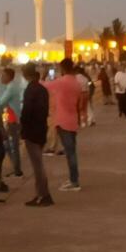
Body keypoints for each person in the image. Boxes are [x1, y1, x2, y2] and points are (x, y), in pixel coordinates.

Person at [44, 58, 84, 192]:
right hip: (73, 120)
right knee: (71, 151)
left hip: (62, 120)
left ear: (62, 68)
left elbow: (44, 86)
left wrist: (44, 75)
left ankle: (74, 181)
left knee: (70, 153)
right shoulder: (76, 83)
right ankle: (74, 179)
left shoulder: (61, 82)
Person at [18, 64, 54, 206]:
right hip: (41, 129)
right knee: (38, 164)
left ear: (25, 74)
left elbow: (26, 112)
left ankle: (43, 195)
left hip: (32, 131)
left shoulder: (30, 90)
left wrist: (23, 129)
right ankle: (41, 194)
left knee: (37, 166)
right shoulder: (42, 89)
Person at [0, 66, 26, 178]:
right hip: (12, 118)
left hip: (13, 120)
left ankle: (17, 170)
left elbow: (1, 103)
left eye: (3, 75)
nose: (1, 77)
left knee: (11, 145)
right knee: (11, 145)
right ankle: (16, 168)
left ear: (9, 76)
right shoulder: (11, 87)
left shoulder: (11, 88)